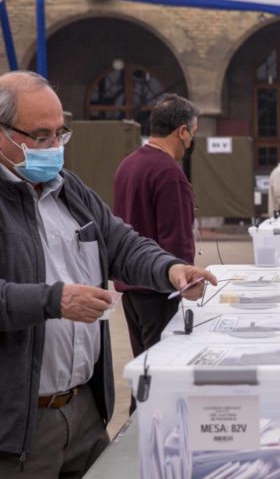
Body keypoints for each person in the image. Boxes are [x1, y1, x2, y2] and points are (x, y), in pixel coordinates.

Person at [0, 71, 217, 478]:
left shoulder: (66, 187)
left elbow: (120, 243)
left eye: (60, 134)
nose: (54, 147)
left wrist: (170, 269)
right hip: (2, 429)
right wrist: (54, 300)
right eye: (41, 136)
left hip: (82, 415)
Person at [113, 94, 198, 369]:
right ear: (182, 131)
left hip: (131, 288)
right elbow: (176, 241)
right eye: (193, 133)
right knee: (161, 374)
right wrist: (188, 279)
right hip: (161, 291)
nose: (191, 142)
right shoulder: (169, 172)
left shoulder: (127, 165)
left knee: (144, 370)